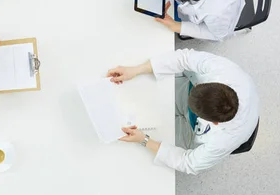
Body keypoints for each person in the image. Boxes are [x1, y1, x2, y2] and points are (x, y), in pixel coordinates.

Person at [107, 49, 259, 175]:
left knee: (158, 136)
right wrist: (136, 70)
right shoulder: (222, 71)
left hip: (192, 132)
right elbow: (185, 58)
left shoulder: (222, 141)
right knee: (148, 92)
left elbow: (189, 164)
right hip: (193, 93)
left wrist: (145, 140)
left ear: (213, 122)